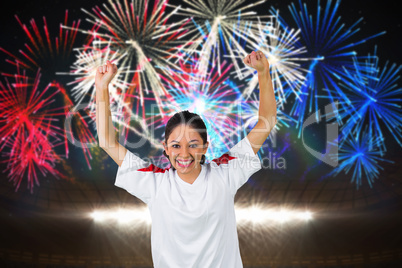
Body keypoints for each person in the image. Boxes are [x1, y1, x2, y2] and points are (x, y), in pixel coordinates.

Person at [95, 50, 277, 267]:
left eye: (193, 145)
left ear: (205, 147)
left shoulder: (225, 173)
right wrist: (102, 87)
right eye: (176, 146)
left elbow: (266, 122)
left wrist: (264, 73)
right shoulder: (155, 183)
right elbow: (107, 142)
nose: (184, 154)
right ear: (165, 148)